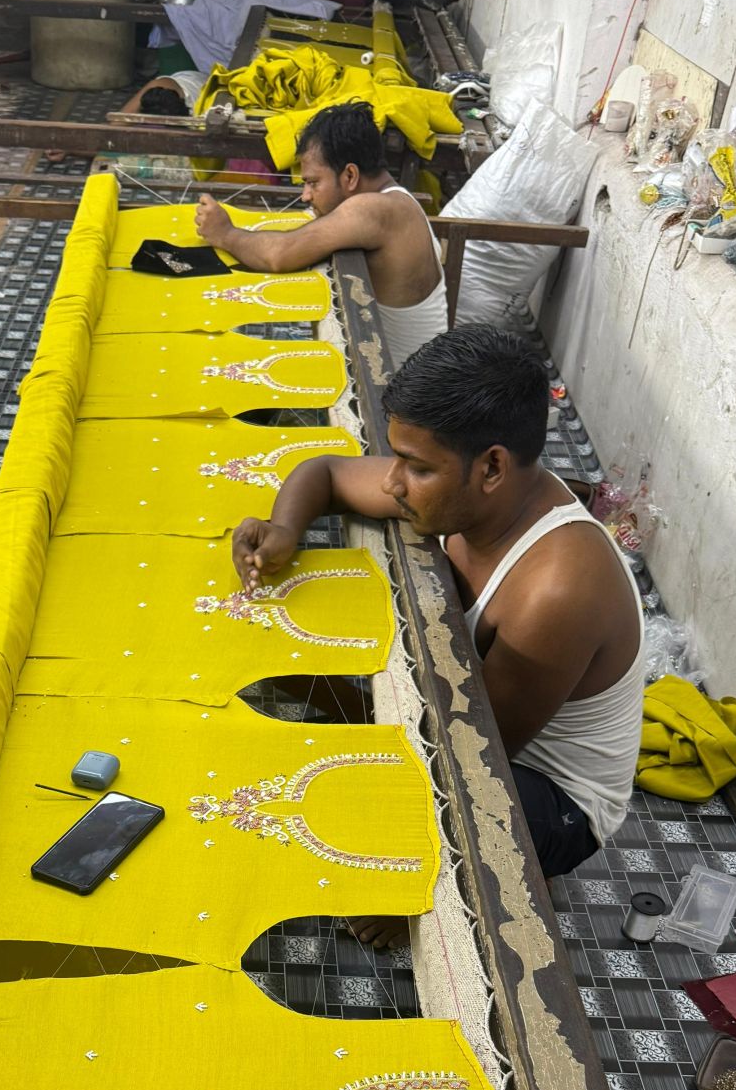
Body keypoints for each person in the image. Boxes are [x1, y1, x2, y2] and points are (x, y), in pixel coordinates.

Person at [231, 326, 645, 941]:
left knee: (333, 806)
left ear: (492, 467)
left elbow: (472, 756)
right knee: (286, 655)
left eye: (417, 467)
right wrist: (286, 531)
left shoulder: (556, 590)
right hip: (487, 726)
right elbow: (326, 472)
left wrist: (407, 886)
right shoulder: (469, 493)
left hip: (553, 797)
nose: (394, 482)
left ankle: (502, 877)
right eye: (399, 458)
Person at [193, 101, 444, 368]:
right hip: (414, 373)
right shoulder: (398, 199)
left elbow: (279, 255)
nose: (306, 196)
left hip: (400, 386)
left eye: (313, 182)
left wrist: (225, 233)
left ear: (350, 175)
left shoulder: (375, 210)